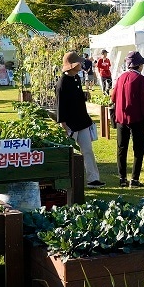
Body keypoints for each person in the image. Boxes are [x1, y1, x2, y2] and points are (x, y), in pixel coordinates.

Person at [56, 51, 105, 188]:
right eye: (78, 62)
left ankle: (93, 179)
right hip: (70, 124)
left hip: (82, 122)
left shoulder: (77, 78)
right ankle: (66, 181)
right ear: (72, 65)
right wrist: (64, 126)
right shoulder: (62, 83)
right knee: (69, 154)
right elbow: (60, 106)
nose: (81, 64)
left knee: (88, 150)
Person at [111, 50, 144, 188]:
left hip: (121, 118)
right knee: (138, 149)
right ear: (139, 65)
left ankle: (122, 178)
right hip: (136, 118)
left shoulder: (121, 77)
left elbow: (113, 97)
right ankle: (134, 179)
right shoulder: (141, 79)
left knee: (121, 148)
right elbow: (143, 102)